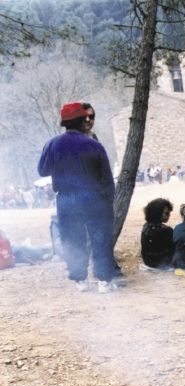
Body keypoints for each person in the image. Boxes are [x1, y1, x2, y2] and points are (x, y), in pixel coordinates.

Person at [37, 102, 118, 293]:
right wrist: (108, 201)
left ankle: (80, 280)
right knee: (100, 238)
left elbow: (42, 170)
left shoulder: (52, 143)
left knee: (72, 239)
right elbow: (107, 179)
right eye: (86, 119)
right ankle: (104, 281)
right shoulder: (94, 145)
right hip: (94, 198)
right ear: (82, 121)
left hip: (66, 199)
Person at [141, 198, 174, 269]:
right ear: (157, 213)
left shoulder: (145, 225)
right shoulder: (166, 230)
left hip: (147, 261)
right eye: (167, 213)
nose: (169, 215)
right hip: (161, 264)